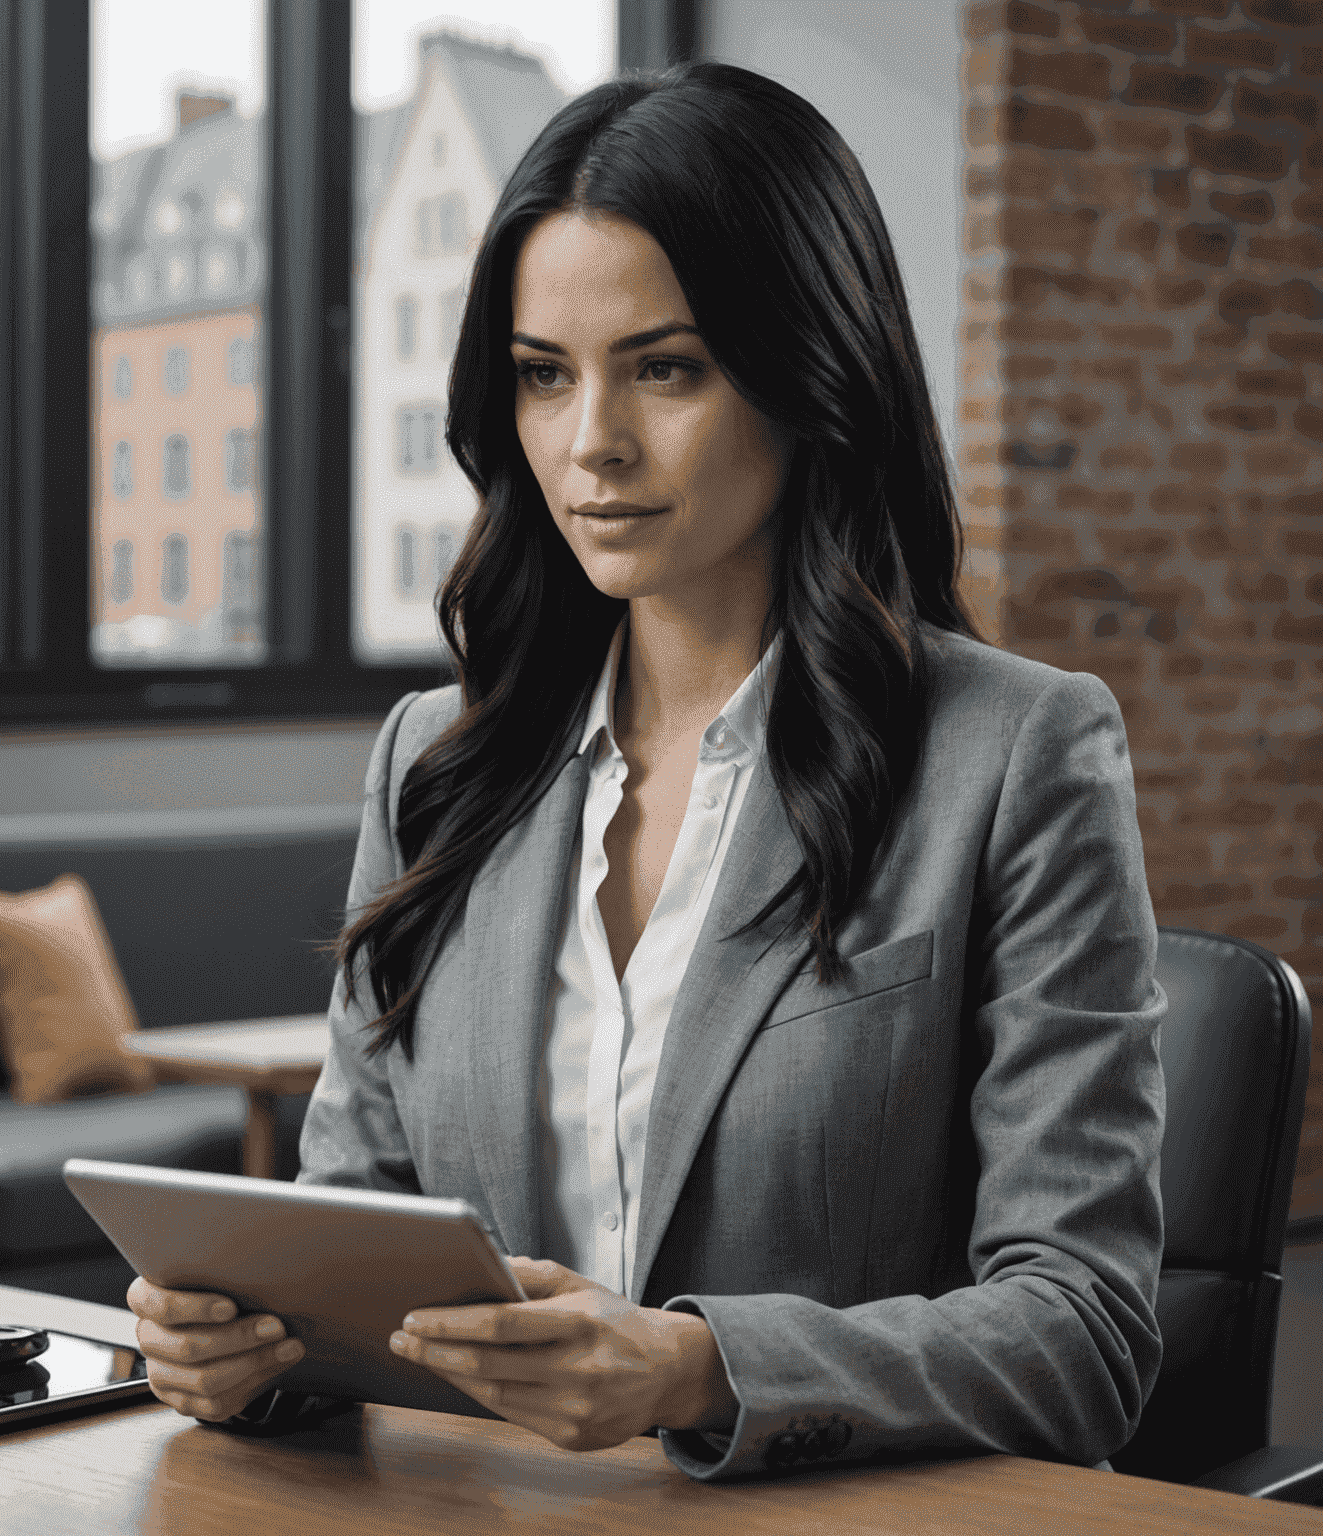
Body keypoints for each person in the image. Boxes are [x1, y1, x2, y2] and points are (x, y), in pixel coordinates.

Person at [127, 61, 1165, 1482]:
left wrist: (697, 1367)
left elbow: (1085, 1329)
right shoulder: (433, 763)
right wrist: (253, 1352)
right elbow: (353, 1233)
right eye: (544, 376)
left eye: (664, 368)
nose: (590, 444)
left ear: (813, 374)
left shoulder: (1017, 753)